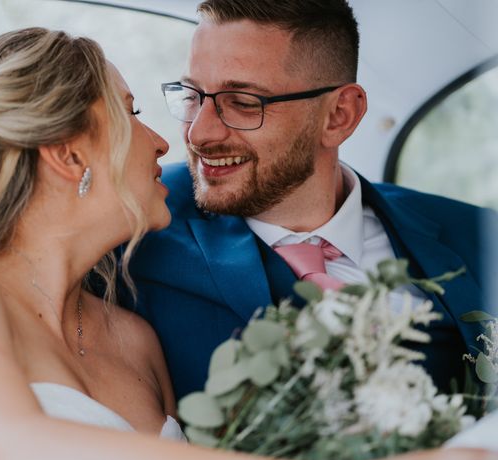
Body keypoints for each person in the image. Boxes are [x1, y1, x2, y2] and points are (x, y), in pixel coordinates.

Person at [0, 26, 494, 460]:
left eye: (244, 102)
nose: (172, 139)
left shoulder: (132, 337)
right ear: (69, 153)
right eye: (133, 113)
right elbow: (9, 452)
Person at [122, 0, 498, 402]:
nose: (199, 134)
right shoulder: (136, 221)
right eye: (192, 96)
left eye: (244, 103)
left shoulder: (477, 236)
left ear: (339, 115)